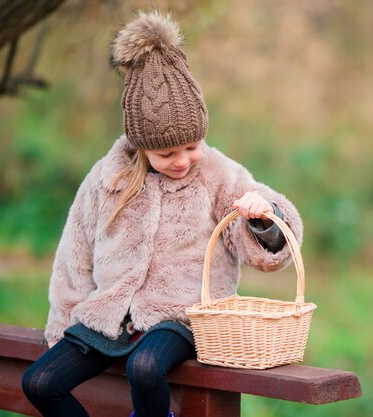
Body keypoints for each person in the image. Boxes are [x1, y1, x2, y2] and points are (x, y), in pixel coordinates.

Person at [21, 11, 302, 417]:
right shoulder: (107, 178)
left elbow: (268, 235)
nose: (183, 161)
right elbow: (74, 255)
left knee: (146, 367)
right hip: (112, 314)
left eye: (192, 146)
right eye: (166, 153)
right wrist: (61, 324)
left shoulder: (218, 174)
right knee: (40, 382)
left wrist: (261, 216)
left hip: (182, 314)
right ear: (140, 145)